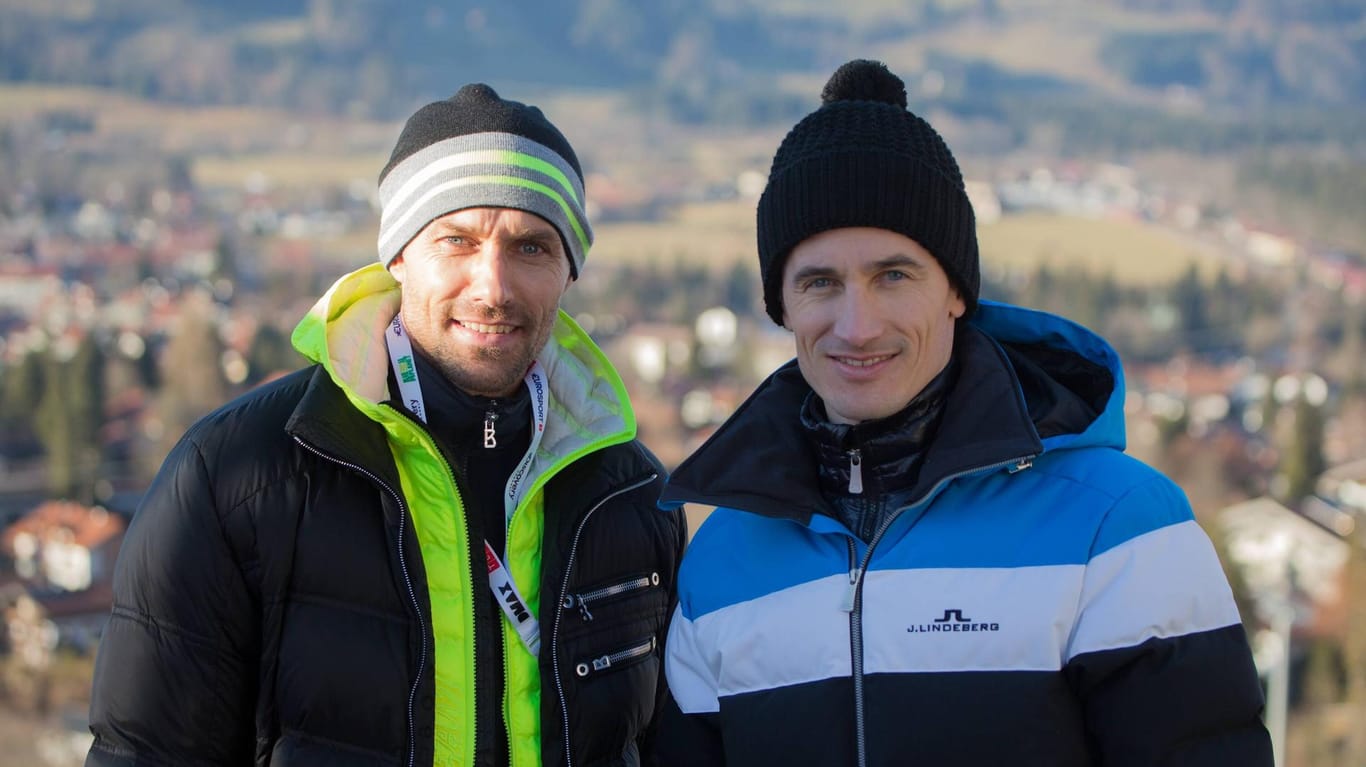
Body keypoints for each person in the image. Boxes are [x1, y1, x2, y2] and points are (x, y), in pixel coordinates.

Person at [655, 59, 1272, 766]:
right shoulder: (725, 560)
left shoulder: (1117, 528)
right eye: (820, 282)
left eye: (893, 275)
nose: (857, 325)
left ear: (955, 291)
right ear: (783, 306)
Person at [86, 83, 687, 767]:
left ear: (568, 273)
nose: (492, 287)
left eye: (531, 247)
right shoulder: (237, 478)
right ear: (398, 256)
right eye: (455, 240)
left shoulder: (633, 498)